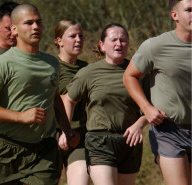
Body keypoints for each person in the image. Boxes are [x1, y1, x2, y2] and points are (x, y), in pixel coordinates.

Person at [0, 3, 79, 185]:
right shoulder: (1, 64)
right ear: (14, 29)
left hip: (44, 151)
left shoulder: (52, 63)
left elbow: (53, 98)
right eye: (28, 23)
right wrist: (20, 117)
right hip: (6, 150)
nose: (35, 27)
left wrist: (67, 129)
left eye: (38, 22)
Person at [62, 23, 148, 185]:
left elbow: (152, 108)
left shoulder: (137, 72)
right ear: (102, 45)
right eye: (113, 39)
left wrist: (140, 124)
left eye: (123, 40)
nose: (119, 44)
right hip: (99, 141)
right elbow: (69, 99)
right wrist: (66, 130)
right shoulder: (89, 72)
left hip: (130, 141)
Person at [123, 0, 191, 184]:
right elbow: (130, 76)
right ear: (174, 15)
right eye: (189, 10)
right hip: (168, 130)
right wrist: (146, 108)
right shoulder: (155, 46)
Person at [54, 20, 90, 185]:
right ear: (59, 40)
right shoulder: (50, 67)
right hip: (50, 137)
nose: (78, 40)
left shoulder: (87, 69)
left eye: (81, 36)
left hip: (79, 137)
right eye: (72, 36)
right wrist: (63, 131)